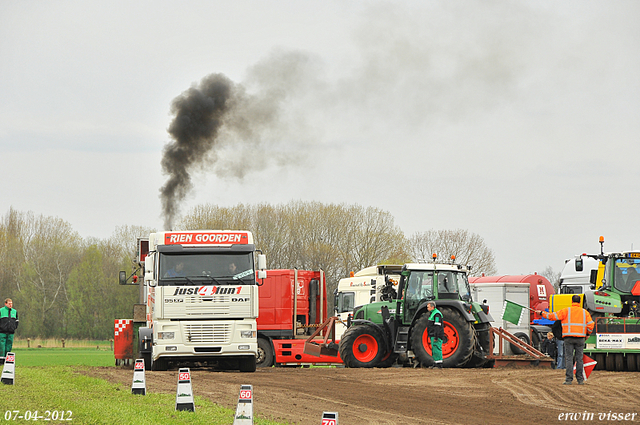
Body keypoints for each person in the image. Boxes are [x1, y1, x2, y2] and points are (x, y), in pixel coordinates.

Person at [537, 295, 594, 385]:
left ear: (572, 301)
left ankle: (568, 379)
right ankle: (580, 380)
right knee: (579, 359)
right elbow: (591, 325)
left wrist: (541, 313)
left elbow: (552, 316)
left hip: (568, 338)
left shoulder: (566, 311)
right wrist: (587, 334)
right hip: (580, 338)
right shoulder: (584, 312)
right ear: (579, 302)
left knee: (569, 358)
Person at [426, 301, 445, 368]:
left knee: (437, 348)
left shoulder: (437, 314)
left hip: (436, 335)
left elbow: (437, 326)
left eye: (428, 307)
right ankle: (435, 362)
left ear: (432, 307)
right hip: (432, 335)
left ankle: (439, 364)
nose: (427, 308)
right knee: (434, 349)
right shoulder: (432, 313)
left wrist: (436, 336)